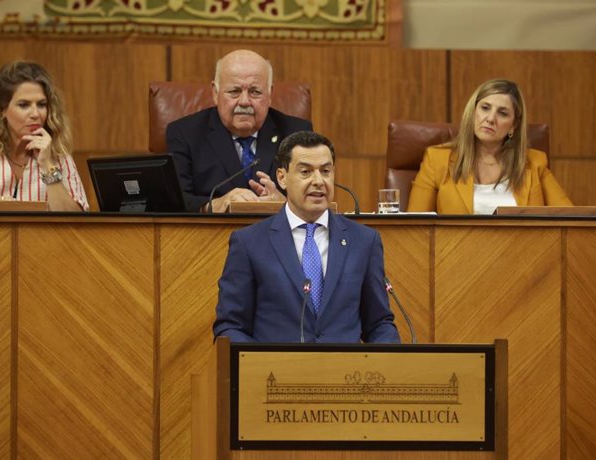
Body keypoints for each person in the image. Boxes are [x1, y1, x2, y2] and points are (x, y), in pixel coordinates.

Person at [213, 131, 400, 343]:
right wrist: (259, 366)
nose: (318, 181)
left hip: (345, 372)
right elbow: (230, 326)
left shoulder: (365, 241)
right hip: (275, 373)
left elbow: (379, 323)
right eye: (305, 172)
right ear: (282, 178)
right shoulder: (249, 243)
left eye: (326, 171)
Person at [166, 49, 313, 212]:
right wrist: (212, 205)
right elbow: (174, 202)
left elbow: (312, 198)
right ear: (215, 93)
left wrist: (286, 205)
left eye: (255, 92)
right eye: (234, 91)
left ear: (270, 94)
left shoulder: (297, 134)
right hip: (210, 234)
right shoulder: (185, 134)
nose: (244, 102)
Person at [407, 79, 571, 214]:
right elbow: (415, 227)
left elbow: (572, 218)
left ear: (514, 125)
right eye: (485, 108)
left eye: (503, 113)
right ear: (473, 112)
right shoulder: (437, 160)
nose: (491, 118)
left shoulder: (535, 162)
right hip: (456, 252)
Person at [0, 61, 88, 211]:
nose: (35, 114)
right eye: (24, 105)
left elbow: (76, 224)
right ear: (2, 110)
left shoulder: (60, 157)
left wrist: (47, 165)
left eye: (41, 104)